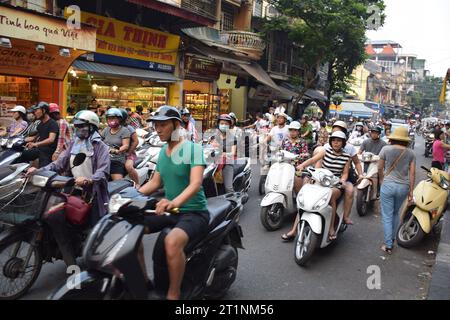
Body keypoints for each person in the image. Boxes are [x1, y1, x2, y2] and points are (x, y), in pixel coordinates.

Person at [137, 106, 209, 300]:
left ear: (176, 125)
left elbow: (195, 184)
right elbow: (154, 182)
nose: (158, 129)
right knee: (131, 228)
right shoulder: (163, 151)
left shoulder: (193, 149)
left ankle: (173, 293)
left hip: (194, 212)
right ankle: (143, 281)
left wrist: (173, 202)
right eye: (156, 125)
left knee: (171, 242)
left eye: (163, 125)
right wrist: (130, 196)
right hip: (172, 211)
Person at [26, 110, 110, 266]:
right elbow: (59, 164)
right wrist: (39, 170)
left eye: (82, 126)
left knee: (95, 230)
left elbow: (103, 171)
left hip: (93, 193)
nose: (78, 130)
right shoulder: (74, 143)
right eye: (76, 127)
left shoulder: (100, 147)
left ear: (92, 127)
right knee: (56, 215)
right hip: (72, 188)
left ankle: (96, 263)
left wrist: (90, 179)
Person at [283, 131, 351, 241]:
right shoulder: (325, 151)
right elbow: (312, 160)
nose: (336, 143)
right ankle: (294, 230)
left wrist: (342, 181)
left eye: (338, 141)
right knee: (305, 197)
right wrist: (302, 165)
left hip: (334, 184)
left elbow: (345, 173)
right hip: (320, 180)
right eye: (333, 140)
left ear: (343, 143)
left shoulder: (346, 157)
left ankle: (330, 228)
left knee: (331, 196)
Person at [378, 126, 416, 255]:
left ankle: (388, 244)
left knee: (387, 216)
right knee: (395, 213)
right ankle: (392, 238)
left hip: (388, 185)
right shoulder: (411, 153)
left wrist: (381, 180)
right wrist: (411, 191)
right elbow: (412, 174)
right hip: (403, 187)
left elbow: (379, 168)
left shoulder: (386, 149)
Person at [17, 101, 59, 168]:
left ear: (44, 110)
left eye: (36, 111)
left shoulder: (52, 123)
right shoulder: (40, 124)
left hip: (48, 152)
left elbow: (51, 139)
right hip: (39, 149)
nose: (35, 113)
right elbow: (34, 137)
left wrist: (36, 144)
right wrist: (20, 140)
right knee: (19, 155)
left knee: (43, 171)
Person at [280, 121, 310, 195]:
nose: (292, 132)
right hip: (285, 165)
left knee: (297, 180)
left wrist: (304, 155)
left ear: (298, 131)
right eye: (291, 130)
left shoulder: (302, 142)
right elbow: (281, 151)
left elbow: (306, 153)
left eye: (295, 130)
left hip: (298, 166)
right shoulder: (285, 141)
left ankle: (298, 198)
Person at [210, 114, 237, 193]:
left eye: (226, 124)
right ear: (218, 124)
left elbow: (232, 153)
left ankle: (233, 202)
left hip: (227, 162)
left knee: (228, 188)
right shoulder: (213, 136)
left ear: (229, 125)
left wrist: (222, 153)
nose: (224, 125)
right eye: (222, 123)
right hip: (213, 162)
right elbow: (208, 147)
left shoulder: (232, 138)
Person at [101, 108, 131, 180]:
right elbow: (99, 141)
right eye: (109, 118)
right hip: (104, 159)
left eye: (113, 118)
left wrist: (117, 151)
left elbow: (126, 145)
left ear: (119, 119)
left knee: (117, 183)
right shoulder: (106, 130)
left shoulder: (124, 130)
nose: (111, 120)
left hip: (116, 160)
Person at [119, 108, 141, 187]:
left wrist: (128, 152)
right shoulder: (111, 128)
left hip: (129, 154)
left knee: (128, 167)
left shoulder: (129, 128)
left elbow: (136, 141)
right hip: (115, 154)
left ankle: (137, 183)